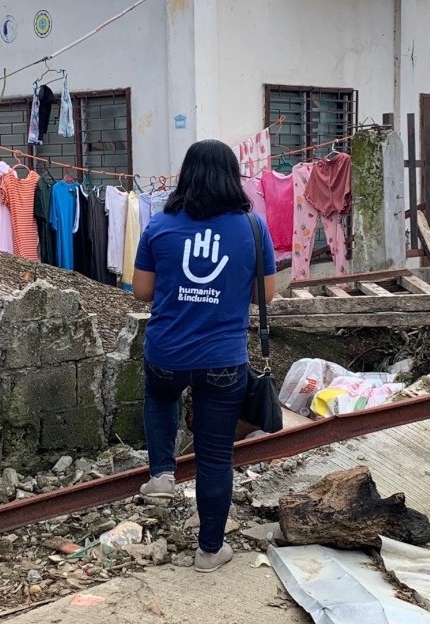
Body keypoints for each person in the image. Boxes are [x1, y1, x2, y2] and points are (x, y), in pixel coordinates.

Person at [131, 139, 276, 573]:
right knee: (215, 457)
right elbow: (265, 295)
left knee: (160, 397)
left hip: (167, 352)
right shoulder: (253, 227)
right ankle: (210, 552)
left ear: (186, 175)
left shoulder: (160, 224)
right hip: (223, 359)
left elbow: (141, 291)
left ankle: (161, 474)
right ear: (232, 177)